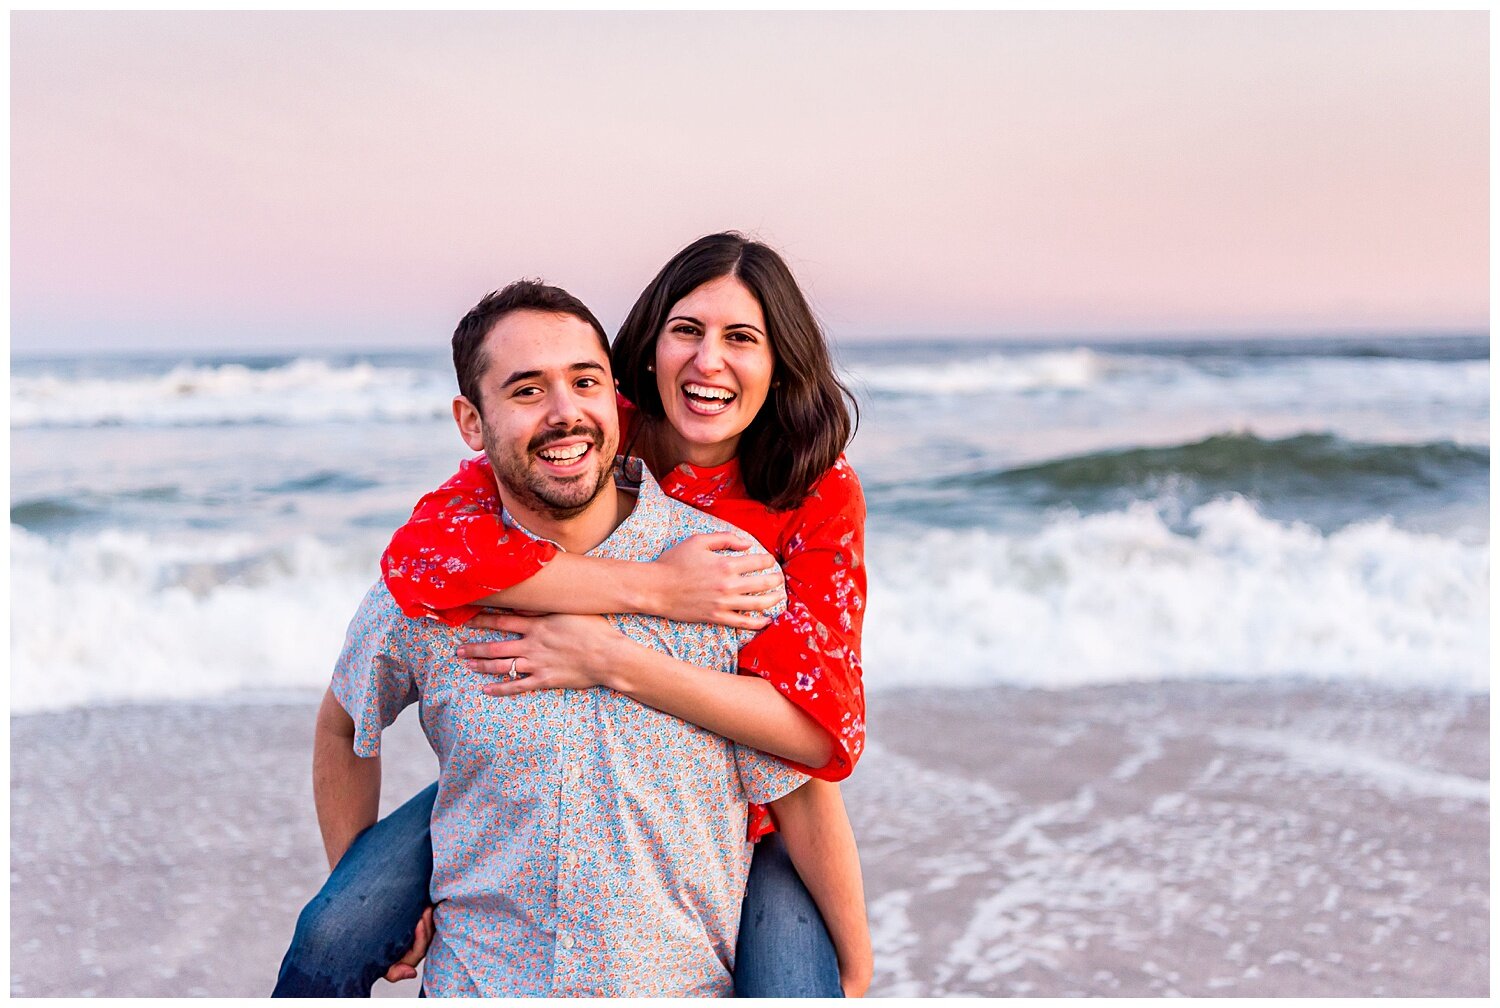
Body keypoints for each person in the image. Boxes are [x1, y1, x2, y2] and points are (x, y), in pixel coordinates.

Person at [275, 234, 871, 996]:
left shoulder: (788, 516)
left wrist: (611, 659)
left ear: (780, 361)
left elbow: (816, 736)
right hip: (520, 805)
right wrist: (650, 590)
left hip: (738, 813)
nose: (708, 362)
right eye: (686, 331)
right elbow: (427, 558)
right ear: (647, 354)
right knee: (333, 933)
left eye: (741, 338)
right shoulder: (592, 425)